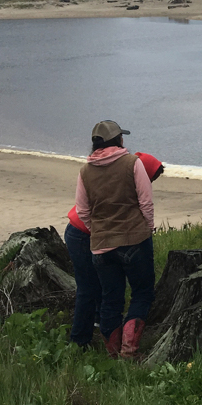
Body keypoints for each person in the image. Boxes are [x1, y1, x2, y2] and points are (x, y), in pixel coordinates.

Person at [75, 121, 157, 359]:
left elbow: (82, 211)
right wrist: (147, 228)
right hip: (134, 240)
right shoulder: (133, 164)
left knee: (111, 298)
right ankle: (129, 350)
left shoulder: (85, 172)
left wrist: (98, 230)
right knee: (142, 292)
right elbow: (146, 202)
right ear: (118, 141)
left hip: (101, 246)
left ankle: (112, 351)